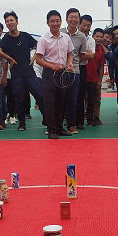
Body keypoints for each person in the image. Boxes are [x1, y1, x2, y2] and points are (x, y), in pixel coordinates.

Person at [0, 11, 44, 131]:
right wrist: (10, 58)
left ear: (17, 22)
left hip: (29, 73)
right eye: (7, 21)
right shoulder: (6, 38)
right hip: (16, 74)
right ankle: (22, 123)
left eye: (11, 20)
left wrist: (35, 57)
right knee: (19, 99)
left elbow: (39, 45)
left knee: (40, 95)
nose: (9, 23)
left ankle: (47, 120)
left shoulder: (25, 36)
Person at [35, 10, 74, 139]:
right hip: (49, 73)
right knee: (49, 102)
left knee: (61, 101)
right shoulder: (43, 39)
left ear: (61, 22)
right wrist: (51, 66)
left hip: (63, 73)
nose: (55, 23)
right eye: (52, 21)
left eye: (57, 21)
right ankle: (51, 129)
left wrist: (69, 63)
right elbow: (38, 59)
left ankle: (59, 128)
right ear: (47, 23)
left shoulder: (66, 37)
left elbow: (70, 53)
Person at [60, 8, 87, 134]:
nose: (73, 19)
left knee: (72, 99)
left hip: (74, 71)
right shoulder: (59, 33)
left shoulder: (82, 36)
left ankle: (71, 125)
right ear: (66, 19)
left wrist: (74, 64)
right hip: (59, 71)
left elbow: (82, 55)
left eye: (76, 17)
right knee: (59, 99)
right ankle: (56, 125)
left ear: (79, 20)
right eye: (71, 17)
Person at [76, 15, 95, 129]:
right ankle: (69, 120)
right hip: (70, 68)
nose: (86, 28)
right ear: (79, 24)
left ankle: (80, 122)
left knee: (81, 95)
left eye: (88, 26)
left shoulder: (91, 40)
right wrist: (84, 54)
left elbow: (91, 55)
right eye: (84, 25)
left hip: (82, 68)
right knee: (70, 95)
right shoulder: (72, 36)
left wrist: (78, 55)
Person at [86, 28, 106, 126]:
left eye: (101, 37)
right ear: (93, 36)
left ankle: (95, 118)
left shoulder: (101, 50)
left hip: (94, 78)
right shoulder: (87, 45)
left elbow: (101, 66)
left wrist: (100, 80)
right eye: (97, 36)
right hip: (84, 77)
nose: (99, 39)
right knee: (80, 99)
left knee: (95, 100)